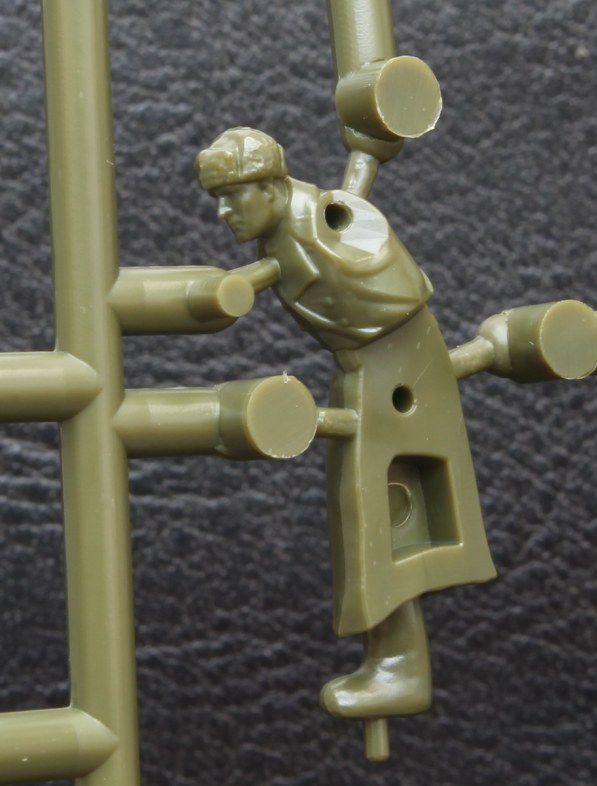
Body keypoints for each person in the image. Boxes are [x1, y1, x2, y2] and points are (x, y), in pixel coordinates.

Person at [195, 127, 496, 721]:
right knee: (373, 518)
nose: (224, 212)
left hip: (395, 373)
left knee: (376, 517)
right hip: (375, 374)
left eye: (233, 195)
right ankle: (395, 661)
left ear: (272, 186)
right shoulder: (295, 230)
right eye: (218, 199)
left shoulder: (316, 227)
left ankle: (401, 666)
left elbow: (382, 282)